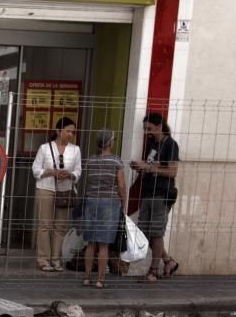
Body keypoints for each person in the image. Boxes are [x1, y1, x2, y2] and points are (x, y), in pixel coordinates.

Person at [130, 112, 180, 283]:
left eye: (149, 128)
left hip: (162, 193)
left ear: (159, 126)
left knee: (156, 233)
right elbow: (151, 165)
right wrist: (140, 167)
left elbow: (172, 171)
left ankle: (153, 271)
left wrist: (150, 168)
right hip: (148, 192)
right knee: (144, 232)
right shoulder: (152, 144)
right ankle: (168, 261)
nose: (146, 132)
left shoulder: (171, 145)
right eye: (145, 129)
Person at [32, 117, 82, 272]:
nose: (70, 134)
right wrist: (51, 172)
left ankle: (56, 259)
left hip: (65, 190)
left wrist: (69, 175)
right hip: (46, 188)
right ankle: (43, 259)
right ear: (58, 131)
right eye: (67, 131)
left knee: (60, 227)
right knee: (45, 225)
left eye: (72, 132)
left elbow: (78, 171)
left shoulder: (75, 149)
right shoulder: (45, 148)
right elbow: (35, 170)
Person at [79, 129, 127, 289]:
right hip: (110, 203)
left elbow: (88, 182)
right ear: (110, 142)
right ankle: (100, 280)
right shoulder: (116, 161)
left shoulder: (91, 161)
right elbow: (120, 185)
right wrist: (124, 202)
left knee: (91, 243)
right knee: (104, 245)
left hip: (92, 202)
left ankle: (86, 277)